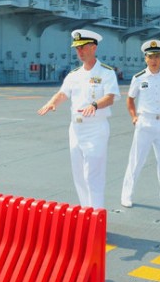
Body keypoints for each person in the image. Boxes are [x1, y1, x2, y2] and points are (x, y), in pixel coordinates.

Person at [37, 29, 119, 209]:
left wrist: (95, 105)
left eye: (83, 47)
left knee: (93, 174)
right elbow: (62, 93)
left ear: (93, 47)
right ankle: (87, 213)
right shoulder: (74, 74)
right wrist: (52, 103)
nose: (79, 52)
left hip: (96, 128)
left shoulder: (106, 72)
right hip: (76, 129)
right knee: (79, 175)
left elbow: (111, 97)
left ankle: (97, 215)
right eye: (77, 48)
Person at [120, 40, 160, 211]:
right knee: (136, 161)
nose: (154, 60)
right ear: (145, 59)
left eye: (157, 56)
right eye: (150, 57)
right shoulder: (139, 78)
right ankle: (127, 195)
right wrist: (134, 117)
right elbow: (130, 99)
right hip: (145, 122)